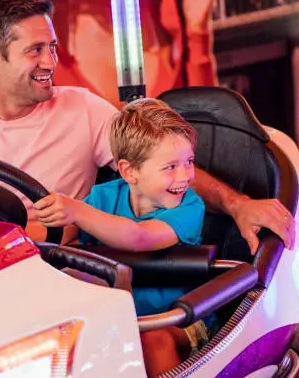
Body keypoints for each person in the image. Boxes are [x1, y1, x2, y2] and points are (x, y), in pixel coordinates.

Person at [0, 0, 293, 257]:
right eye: (35, 51)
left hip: (58, 266)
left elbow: (158, 163)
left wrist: (238, 204)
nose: (51, 62)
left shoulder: (81, 109)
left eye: (52, 46)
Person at [33, 98, 211, 376]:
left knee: (152, 339)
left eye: (189, 162)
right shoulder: (104, 196)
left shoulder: (190, 207)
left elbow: (138, 237)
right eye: (170, 167)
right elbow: (59, 237)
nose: (185, 176)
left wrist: (76, 210)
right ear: (130, 171)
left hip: (179, 319)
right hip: (119, 319)